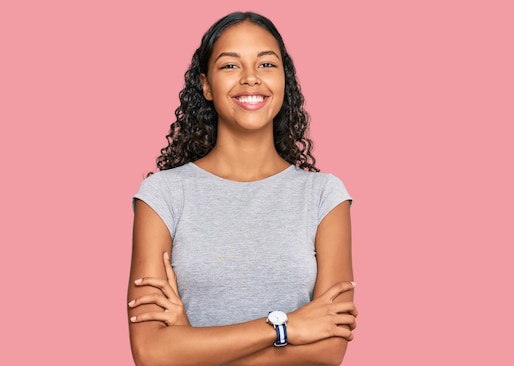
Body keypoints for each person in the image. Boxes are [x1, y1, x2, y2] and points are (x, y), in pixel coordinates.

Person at [126, 11, 357, 366]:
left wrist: (188, 346)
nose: (251, 79)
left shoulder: (323, 196)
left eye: (266, 64)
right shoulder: (163, 195)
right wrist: (285, 327)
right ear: (206, 85)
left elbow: (329, 350)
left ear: (284, 80)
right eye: (230, 66)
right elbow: (151, 352)